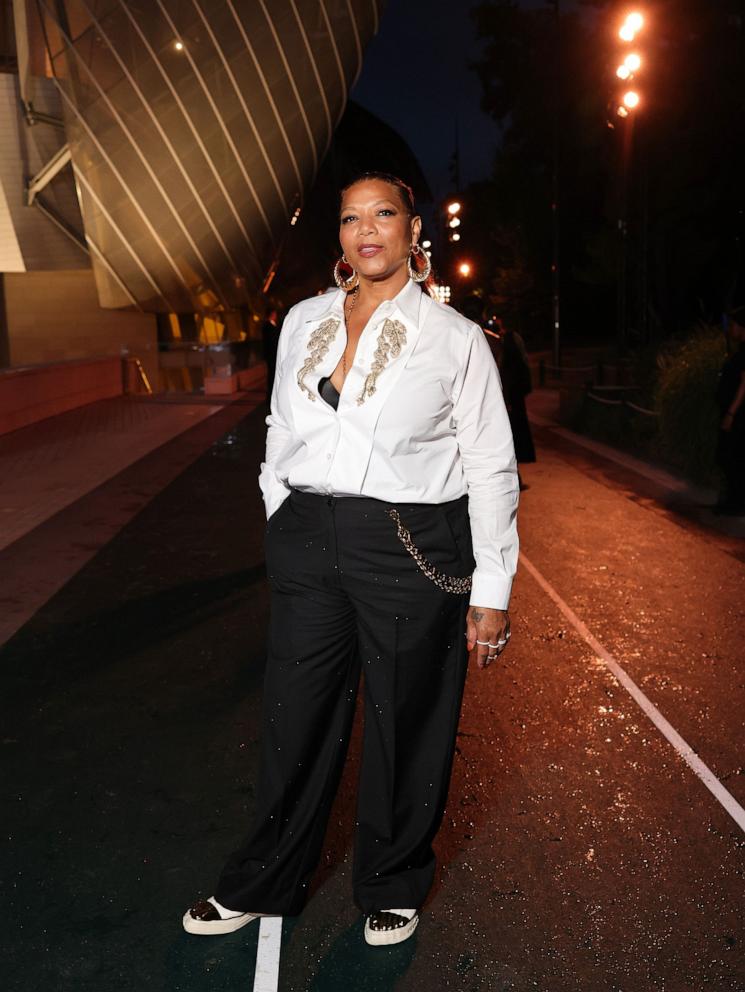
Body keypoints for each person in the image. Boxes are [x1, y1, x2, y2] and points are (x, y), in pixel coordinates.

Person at [182, 172, 519, 946]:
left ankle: (392, 879)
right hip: (307, 536)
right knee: (291, 716)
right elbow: (280, 430)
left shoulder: (454, 340)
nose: (365, 230)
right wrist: (282, 512)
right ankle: (264, 876)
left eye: (383, 214)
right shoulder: (302, 320)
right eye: (349, 218)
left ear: (411, 229)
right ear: (337, 236)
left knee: (407, 716)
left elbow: (491, 466)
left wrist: (492, 587)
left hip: (407, 541)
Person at [714, 305, 745, 515]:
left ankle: (736, 503)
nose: (730, 329)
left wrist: (731, 413)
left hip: (739, 415)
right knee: (729, 455)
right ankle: (734, 501)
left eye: (733, 325)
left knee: (731, 456)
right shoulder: (741, 350)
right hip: (735, 413)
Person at [261, 307, 280, 397]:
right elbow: (270, 342)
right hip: (271, 355)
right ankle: (271, 394)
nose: (276, 316)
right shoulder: (268, 326)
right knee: (272, 374)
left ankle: (272, 392)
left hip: (272, 354)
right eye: (275, 314)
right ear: (272, 314)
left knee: (273, 373)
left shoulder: (272, 325)